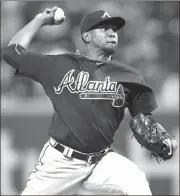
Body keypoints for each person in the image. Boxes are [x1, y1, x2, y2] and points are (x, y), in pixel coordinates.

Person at [2, 7, 177, 195]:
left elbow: (144, 120)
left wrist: (162, 138)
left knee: (136, 181)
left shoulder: (130, 77)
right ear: (86, 36)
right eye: (104, 28)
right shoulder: (60, 65)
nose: (112, 33)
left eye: (114, 29)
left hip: (101, 161)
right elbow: (12, 53)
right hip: (60, 164)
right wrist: (40, 20)